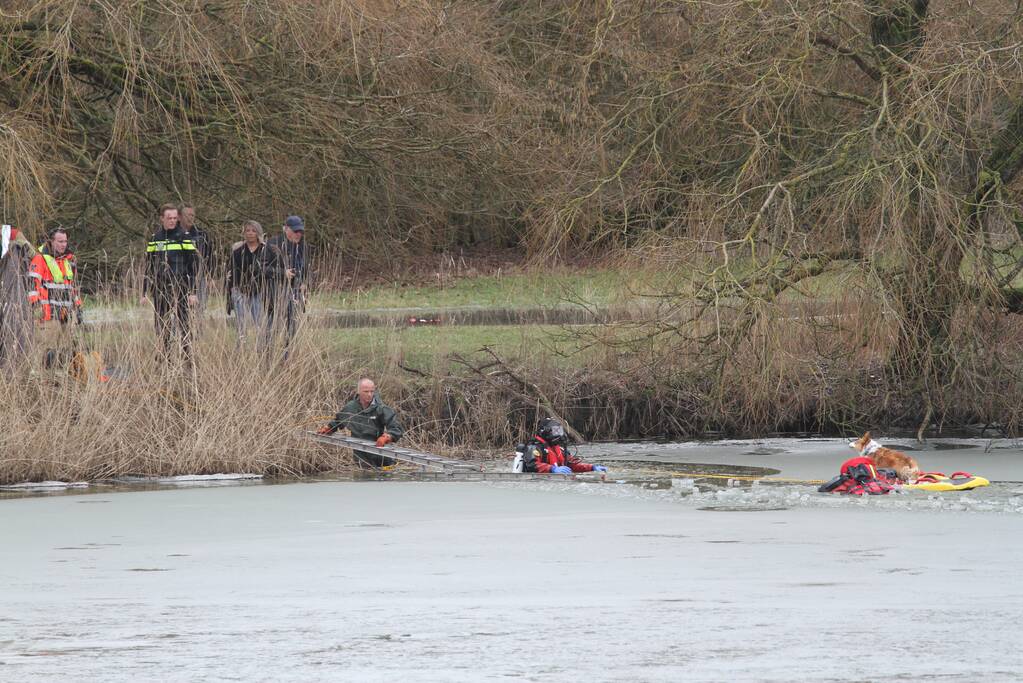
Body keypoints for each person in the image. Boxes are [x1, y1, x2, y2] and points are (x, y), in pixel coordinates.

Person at [143, 203, 199, 357]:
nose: (173, 221)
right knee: (162, 325)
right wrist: (144, 292)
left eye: (175, 218)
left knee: (184, 324)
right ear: (162, 219)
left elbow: (193, 266)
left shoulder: (184, 237)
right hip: (161, 288)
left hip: (181, 287)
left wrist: (193, 292)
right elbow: (148, 266)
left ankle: (187, 357)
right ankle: (166, 357)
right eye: (169, 218)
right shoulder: (155, 239)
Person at [317, 378, 404, 468]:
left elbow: (396, 428)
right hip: (361, 456)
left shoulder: (381, 408)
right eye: (366, 392)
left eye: (372, 391)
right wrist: (329, 428)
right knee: (363, 478)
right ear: (359, 392)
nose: (369, 394)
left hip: (380, 454)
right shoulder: (350, 408)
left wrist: (387, 437)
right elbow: (338, 421)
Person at [226, 220, 284, 347]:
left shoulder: (268, 251)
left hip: (259, 292)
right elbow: (231, 275)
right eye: (248, 230)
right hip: (240, 291)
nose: (250, 233)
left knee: (260, 325)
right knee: (241, 326)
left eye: (253, 231)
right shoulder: (237, 252)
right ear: (243, 233)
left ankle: (261, 352)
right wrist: (230, 298)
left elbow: (278, 271)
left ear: (259, 233)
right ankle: (240, 353)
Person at [266, 215, 308, 356]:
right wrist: (282, 273)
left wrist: (305, 282)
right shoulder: (273, 244)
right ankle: (268, 356)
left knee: (292, 327)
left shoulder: (303, 246)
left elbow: (308, 269)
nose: (298, 234)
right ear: (286, 230)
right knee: (272, 328)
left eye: (300, 231)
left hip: (295, 293)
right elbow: (261, 269)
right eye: (296, 231)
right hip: (275, 293)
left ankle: (288, 356)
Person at [516, 417, 607, 474]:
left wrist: (592, 467)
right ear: (545, 431)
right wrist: (553, 469)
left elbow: (572, 465)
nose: (558, 434)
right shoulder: (534, 447)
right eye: (555, 431)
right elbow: (532, 465)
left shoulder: (559, 449)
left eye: (559, 431)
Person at [179, 204, 212, 310]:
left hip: (199, 277)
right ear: (179, 216)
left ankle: (197, 326)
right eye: (187, 215)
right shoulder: (172, 234)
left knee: (199, 308)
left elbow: (209, 256)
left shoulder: (202, 234)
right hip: (178, 277)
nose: (190, 217)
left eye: (192, 215)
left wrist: (210, 276)